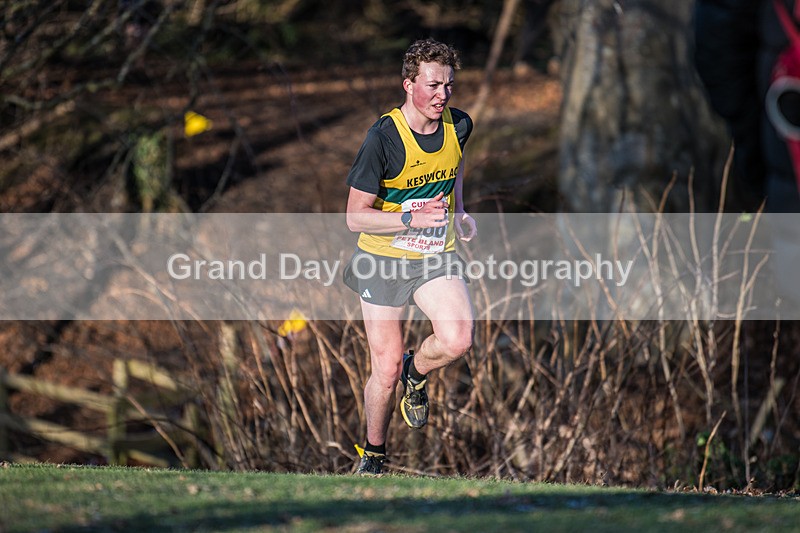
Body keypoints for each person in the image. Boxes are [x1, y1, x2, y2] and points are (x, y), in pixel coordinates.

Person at [343, 38, 478, 475]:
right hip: (381, 259)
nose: (444, 95)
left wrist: (458, 209)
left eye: (449, 85)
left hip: (436, 255)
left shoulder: (459, 124)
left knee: (458, 340)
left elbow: (452, 168)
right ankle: (374, 454)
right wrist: (409, 218)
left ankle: (415, 375)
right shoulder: (382, 140)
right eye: (434, 85)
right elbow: (355, 218)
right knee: (383, 371)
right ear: (409, 85)